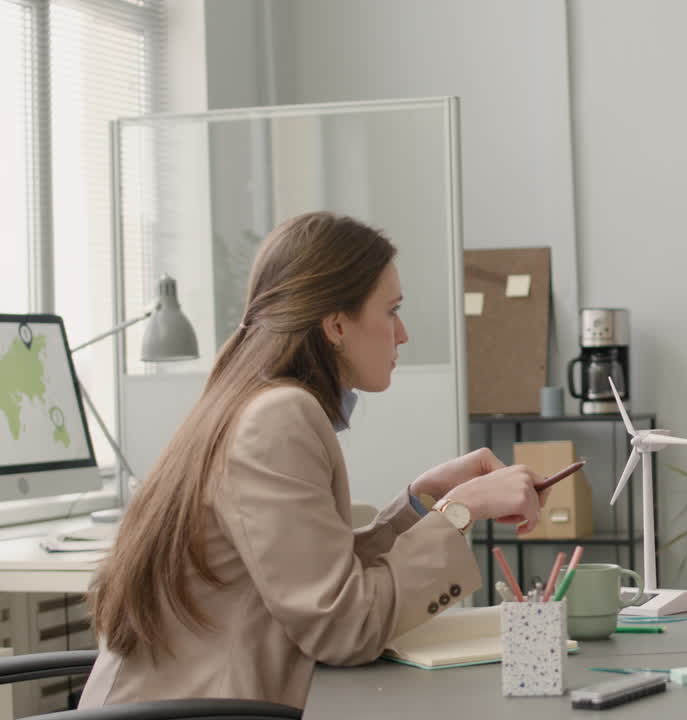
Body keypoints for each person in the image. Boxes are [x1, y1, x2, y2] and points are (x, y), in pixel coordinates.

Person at [81, 212, 548, 710]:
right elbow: (343, 626)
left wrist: (423, 502)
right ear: (336, 324)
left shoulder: (253, 401)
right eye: (392, 311)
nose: (403, 333)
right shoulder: (278, 418)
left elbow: (314, 576)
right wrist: (459, 511)